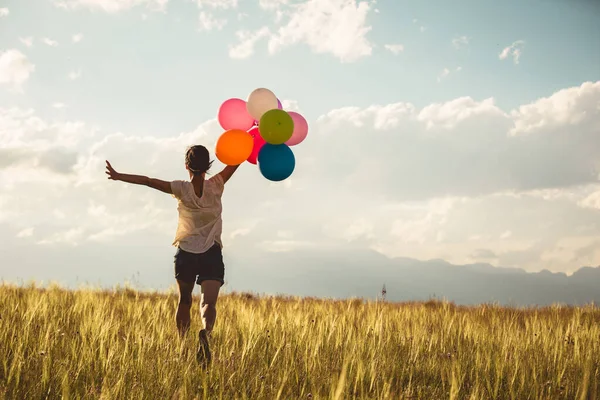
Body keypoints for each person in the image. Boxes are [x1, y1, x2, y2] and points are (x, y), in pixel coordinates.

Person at [105, 145, 238, 365]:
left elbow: (148, 181)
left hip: (186, 252)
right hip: (212, 253)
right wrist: (255, 135)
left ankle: (183, 347)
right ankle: (206, 332)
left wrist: (119, 176)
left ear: (187, 166)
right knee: (208, 304)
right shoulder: (217, 184)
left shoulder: (180, 188)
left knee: (184, 301)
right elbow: (237, 161)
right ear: (208, 166)